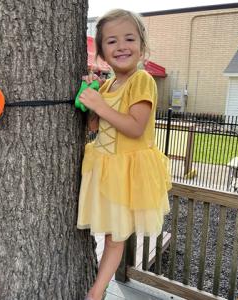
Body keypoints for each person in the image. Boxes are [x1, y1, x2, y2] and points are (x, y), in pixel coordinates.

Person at [77, 9, 171, 300]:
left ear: (142, 46)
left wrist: (101, 105)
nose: (121, 46)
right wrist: (91, 99)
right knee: (106, 233)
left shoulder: (141, 80)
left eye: (129, 39)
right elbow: (95, 126)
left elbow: (135, 127)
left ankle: (96, 292)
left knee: (115, 238)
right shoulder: (107, 84)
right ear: (102, 53)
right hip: (104, 169)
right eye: (112, 41)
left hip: (127, 173)